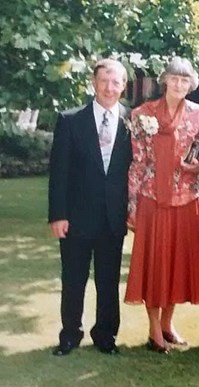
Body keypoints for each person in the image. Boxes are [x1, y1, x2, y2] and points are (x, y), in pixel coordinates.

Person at [124, 57, 199, 354]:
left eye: (185, 80)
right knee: (155, 264)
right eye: (174, 78)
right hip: (152, 198)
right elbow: (136, 163)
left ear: (191, 84)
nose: (179, 84)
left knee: (176, 264)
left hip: (187, 198)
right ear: (164, 80)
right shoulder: (142, 113)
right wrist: (132, 204)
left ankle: (167, 324)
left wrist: (196, 166)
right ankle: (152, 328)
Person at [48, 58, 131, 356]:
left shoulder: (133, 120)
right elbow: (59, 172)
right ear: (94, 84)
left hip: (113, 217)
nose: (110, 87)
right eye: (104, 81)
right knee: (74, 279)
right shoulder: (70, 120)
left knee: (108, 281)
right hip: (77, 217)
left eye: (116, 82)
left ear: (123, 86)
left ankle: (106, 335)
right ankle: (70, 334)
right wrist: (58, 214)